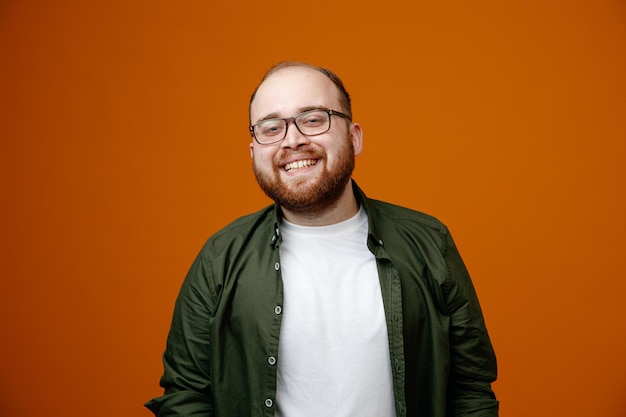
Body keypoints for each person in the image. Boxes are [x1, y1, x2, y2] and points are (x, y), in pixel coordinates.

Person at [146, 61, 499, 417]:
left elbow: (470, 389)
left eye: (313, 119)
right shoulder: (219, 258)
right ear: (253, 152)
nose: (293, 139)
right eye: (271, 127)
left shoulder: (428, 242)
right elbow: (186, 397)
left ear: (354, 137)